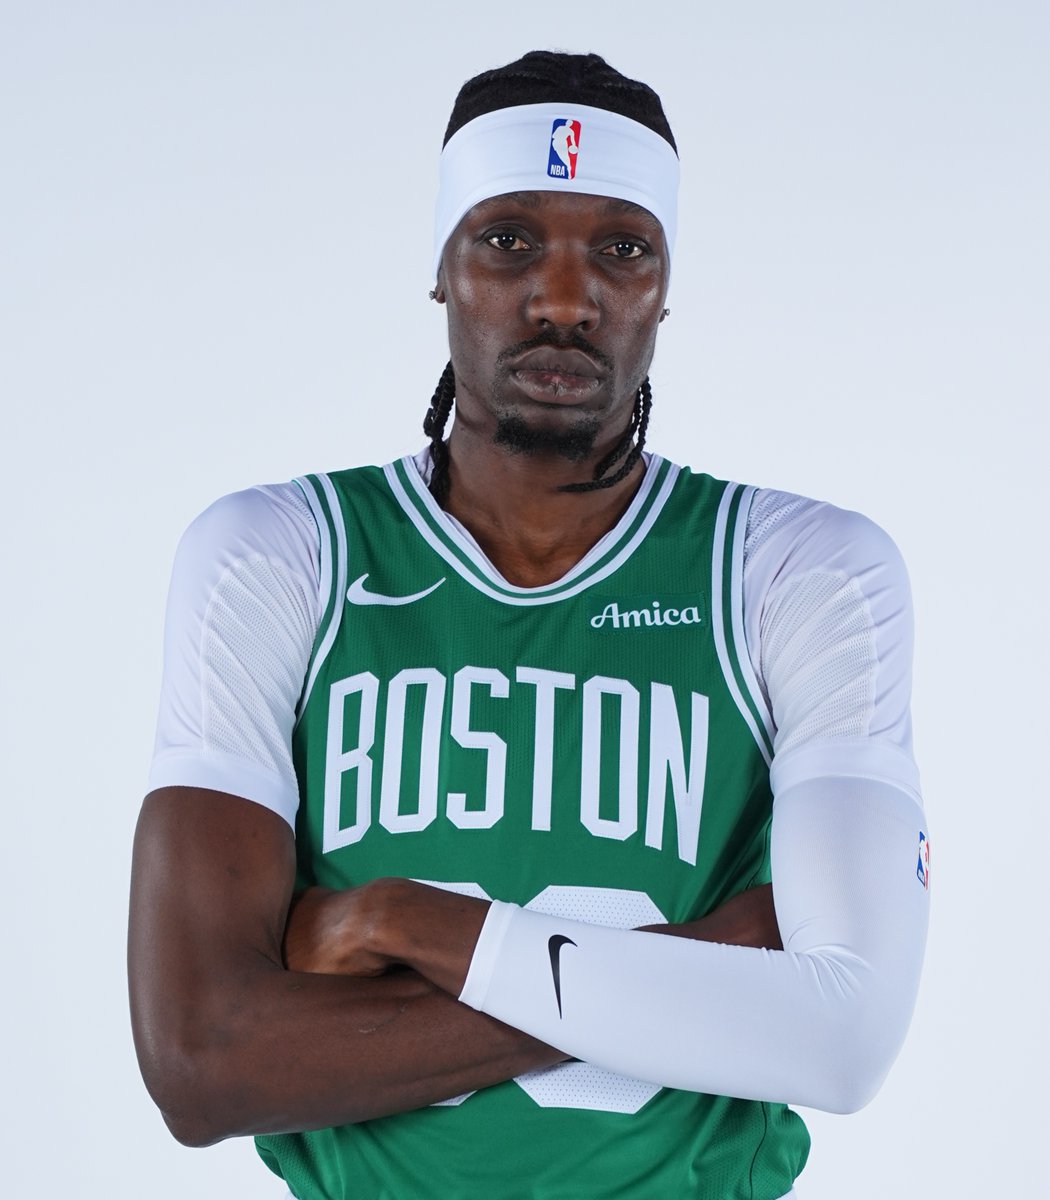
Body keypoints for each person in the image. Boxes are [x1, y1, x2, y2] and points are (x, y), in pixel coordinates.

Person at [129, 50, 930, 1200]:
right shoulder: (279, 555)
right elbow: (203, 1064)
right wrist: (708, 966)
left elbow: (844, 1043)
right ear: (442, 269)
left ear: (666, 284)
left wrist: (405, 920)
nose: (564, 298)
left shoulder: (800, 570)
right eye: (508, 240)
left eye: (623, 248)